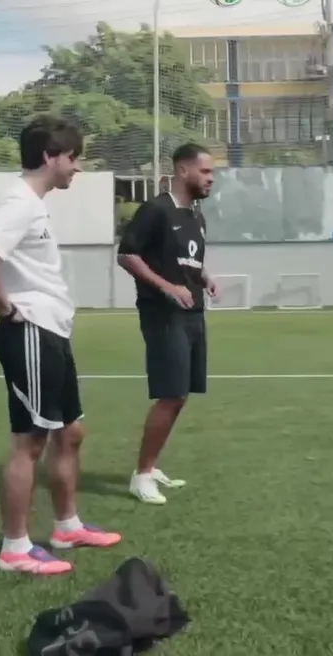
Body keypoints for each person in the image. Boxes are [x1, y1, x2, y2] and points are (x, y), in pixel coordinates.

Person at [0, 114, 122, 574]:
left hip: (50, 331)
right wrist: (10, 311)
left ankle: (67, 527)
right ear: (51, 157)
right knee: (30, 441)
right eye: (73, 157)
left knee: (70, 432)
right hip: (30, 331)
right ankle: (15, 548)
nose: (77, 167)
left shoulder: (32, 203)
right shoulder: (18, 203)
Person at [116, 142, 217, 505]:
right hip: (162, 314)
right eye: (205, 171)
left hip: (192, 313)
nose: (211, 178)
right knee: (170, 394)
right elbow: (127, 255)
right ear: (183, 170)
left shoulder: (197, 218)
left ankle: (152, 466)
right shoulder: (156, 210)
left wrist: (205, 277)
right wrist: (167, 287)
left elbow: (188, 262)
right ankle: (141, 475)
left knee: (181, 395)